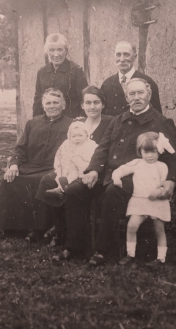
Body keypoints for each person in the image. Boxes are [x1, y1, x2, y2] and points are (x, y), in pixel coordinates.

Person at [53, 78, 176, 264]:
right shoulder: (118, 120)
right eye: (132, 94)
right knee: (75, 190)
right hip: (106, 175)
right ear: (126, 97)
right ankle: (73, 246)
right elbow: (103, 148)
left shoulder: (161, 122)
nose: (136, 97)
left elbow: (175, 156)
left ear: (149, 95)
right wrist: (92, 170)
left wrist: (171, 180)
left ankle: (102, 250)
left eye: (140, 93)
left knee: (112, 193)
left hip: (135, 178)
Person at [36, 86, 113, 246]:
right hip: (72, 168)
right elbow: (66, 148)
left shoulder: (109, 123)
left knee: (73, 189)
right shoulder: (77, 124)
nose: (92, 107)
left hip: (96, 173)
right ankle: (59, 227)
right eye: (88, 103)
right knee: (47, 181)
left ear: (103, 104)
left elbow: (108, 152)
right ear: (82, 105)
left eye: (96, 102)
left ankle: (74, 240)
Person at [0, 88, 72, 239]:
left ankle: (36, 229)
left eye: (56, 102)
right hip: (30, 166)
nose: (52, 106)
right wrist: (14, 165)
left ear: (63, 105)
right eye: (48, 103)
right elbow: (20, 148)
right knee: (9, 180)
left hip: (53, 168)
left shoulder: (70, 124)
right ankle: (5, 226)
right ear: (43, 106)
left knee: (40, 181)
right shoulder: (32, 123)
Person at [112, 132, 174, 267]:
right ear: (140, 151)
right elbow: (120, 170)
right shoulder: (136, 163)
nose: (150, 155)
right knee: (132, 225)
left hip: (157, 202)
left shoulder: (162, 166)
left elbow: (165, 185)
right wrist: (116, 178)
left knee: (159, 229)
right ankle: (130, 254)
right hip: (139, 201)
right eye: (146, 152)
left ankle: (161, 258)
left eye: (153, 151)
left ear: (159, 151)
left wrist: (158, 192)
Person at [33, 33, 88, 118]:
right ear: (47, 52)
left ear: (66, 51)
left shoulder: (76, 71)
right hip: (47, 122)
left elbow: (84, 99)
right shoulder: (42, 72)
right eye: (52, 50)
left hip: (70, 121)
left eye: (59, 50)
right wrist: (36, 123)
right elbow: (37, 101)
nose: (56, 54)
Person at [100, 41, 162, 115]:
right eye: (118, 55)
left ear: (135, 57)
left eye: (126, 55)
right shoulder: (107, 84)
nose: (122, 59)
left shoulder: (148, 82)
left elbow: (157, 117)